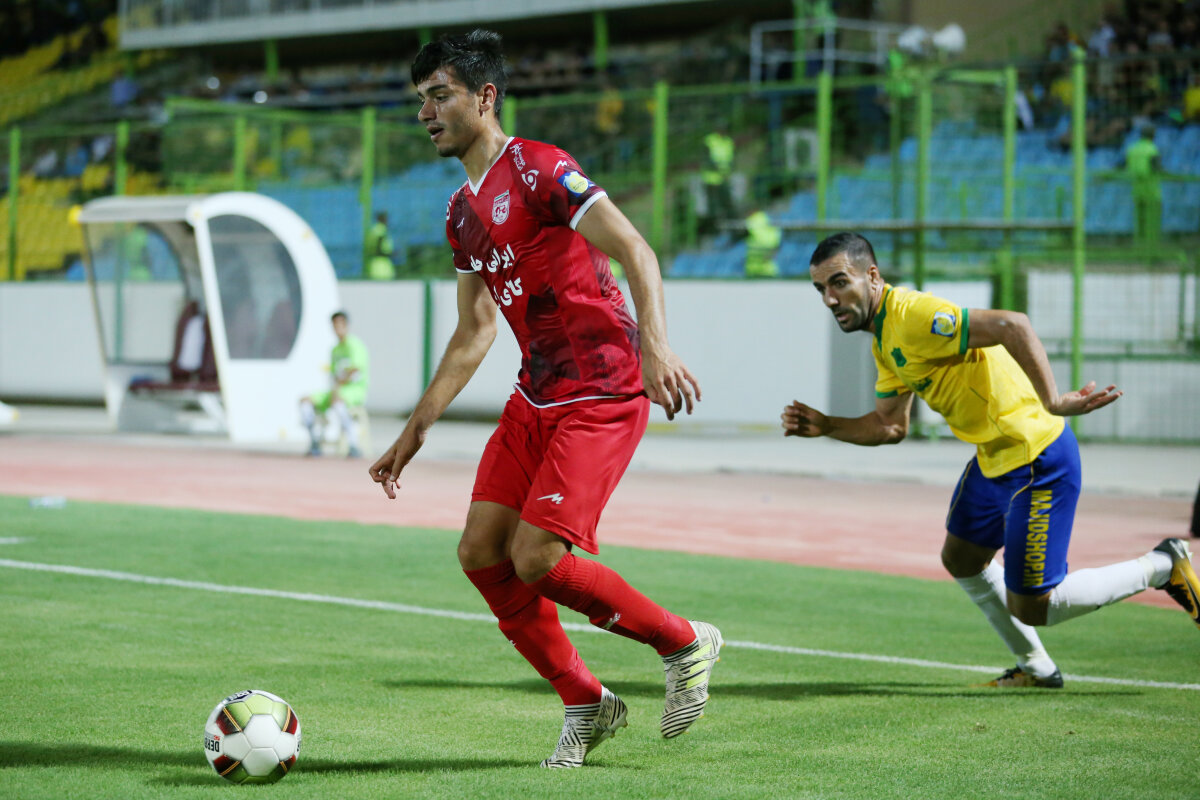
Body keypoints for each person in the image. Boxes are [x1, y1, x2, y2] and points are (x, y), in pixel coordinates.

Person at [369, 30, 722, 769]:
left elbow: (636, 250)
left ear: (485, 97)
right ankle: (586, 701)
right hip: (537, 396)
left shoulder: (539, 169)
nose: (425, 112)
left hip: (603, 389)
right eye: (421, 99)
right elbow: (475, 330)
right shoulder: (460, 213)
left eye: (439, 95)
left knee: (536, 557)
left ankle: (683, 642)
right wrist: (415, 429)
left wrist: (656, 346)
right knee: (480, 553)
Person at [781, 232, 1200, 687]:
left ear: (873, 276)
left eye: (839, 283)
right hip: (993, 458)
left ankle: (1163, 566)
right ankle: (1037, 670)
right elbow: (890, 426)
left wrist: (1053, 400)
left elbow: (1011, 325)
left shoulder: (912, 315)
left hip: (1036, 457)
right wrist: (828, 425)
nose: (829, 299)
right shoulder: (884, 341)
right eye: (821, 289)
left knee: (1034, 606)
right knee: (961, 558)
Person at [301, 310, 369, 458]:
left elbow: (355, 371)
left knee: (338, 402)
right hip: (336, 390)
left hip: (354, 391)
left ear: (347, 325)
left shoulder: (355, 345)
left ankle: (353, 445)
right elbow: (333, 376)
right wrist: (334, 389)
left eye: (340, 324)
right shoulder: (335, 350)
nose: (337, 328)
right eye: (334, 325)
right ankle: (315, 443)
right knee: (305, 401)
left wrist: (338, 387)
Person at [1125, 124, 1162, 246]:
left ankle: (1139, 245)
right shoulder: (1152, 149)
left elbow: (1125, 166)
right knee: (1152, 221)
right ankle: (1151, 246)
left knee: (1140, 221)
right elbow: (1157, 168)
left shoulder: (1132, 149)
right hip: (1152, 191)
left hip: (1137, 190)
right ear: (1153, 136)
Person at [743, 207, 781, 278]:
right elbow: (776, 247)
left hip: (754, 270)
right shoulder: (769, 222)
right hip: (768, 270)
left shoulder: (750, 222)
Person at [364, 211, 396, 280]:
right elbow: (378, 248)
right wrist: (390, 254)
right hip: (381, 265)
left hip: (375, 263)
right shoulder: (381, 230)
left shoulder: (373, 230)